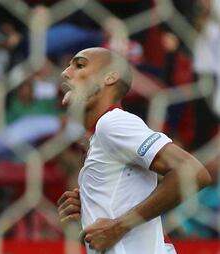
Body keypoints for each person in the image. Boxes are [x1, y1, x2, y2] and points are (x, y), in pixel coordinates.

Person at [56, 47, 212, 253]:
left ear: (110, 76)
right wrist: (87, 209)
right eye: (68, 66)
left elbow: (192, 172)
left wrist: (119, 227)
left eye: (80, 65)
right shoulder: (98, 137)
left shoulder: (112, 123)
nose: (65, 73)